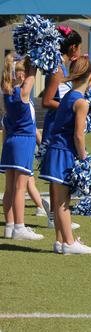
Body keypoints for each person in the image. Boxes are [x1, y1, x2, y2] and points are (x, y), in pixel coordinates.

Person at [39, 57, 91, 254]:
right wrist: (84, 158)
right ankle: (70, 244)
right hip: (64, 153)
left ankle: (60, 241)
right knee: (63, 202)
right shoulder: (81, 102)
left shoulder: (67, 96)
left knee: (58, 201)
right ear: (90, 77)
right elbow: (78, 135)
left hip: (55, 150)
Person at [41, 26, 82, 230]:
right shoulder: (57, 70)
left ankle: (60, 216)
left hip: (62, 124)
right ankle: (54, 217)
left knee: (60, 173)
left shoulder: (64, 68)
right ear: (72, 47)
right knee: (56, 175)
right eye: (79, 47)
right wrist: (69, 107)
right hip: (54, 126)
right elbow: (46, 101)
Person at [1, 55, 43, 241]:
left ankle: (9, 226)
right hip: (23, 142)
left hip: (10, 142)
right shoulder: (22, 93)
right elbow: (32, 74)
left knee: (9, 188)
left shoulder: (7, 93)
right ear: (20, 75)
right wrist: (36, 58)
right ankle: (19, 227)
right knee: (20, 187)